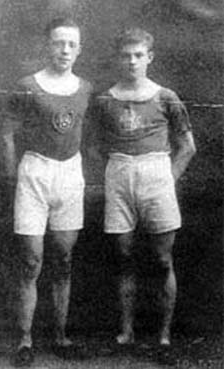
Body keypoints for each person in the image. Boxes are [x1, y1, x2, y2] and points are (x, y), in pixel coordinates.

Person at [90, 26, 196, 347]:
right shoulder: (106, 99)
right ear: (117, 59)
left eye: (138, 55)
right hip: (120, 174)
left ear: (149, 57)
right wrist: (113, 173)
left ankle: (163, 335)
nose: (132, 61)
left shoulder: (166, 97)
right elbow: (94, 148)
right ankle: (127, 331)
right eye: (126, 55)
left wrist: (167, 180)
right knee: (123, 255)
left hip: (157, 175)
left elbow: (187, 146)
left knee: (163, 260)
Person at [1, 16, 92, 366]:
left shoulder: (85, 87)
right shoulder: (28, 85)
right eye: (58, 43)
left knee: (64, 259)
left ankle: (61, 336)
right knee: (31, 260)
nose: (64, 50)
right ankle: (25, 340)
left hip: (69, 173)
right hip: (34, 172)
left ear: (79, 49)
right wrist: (12, 180)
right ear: (47, 45)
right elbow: (6, 134)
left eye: (71, 44)